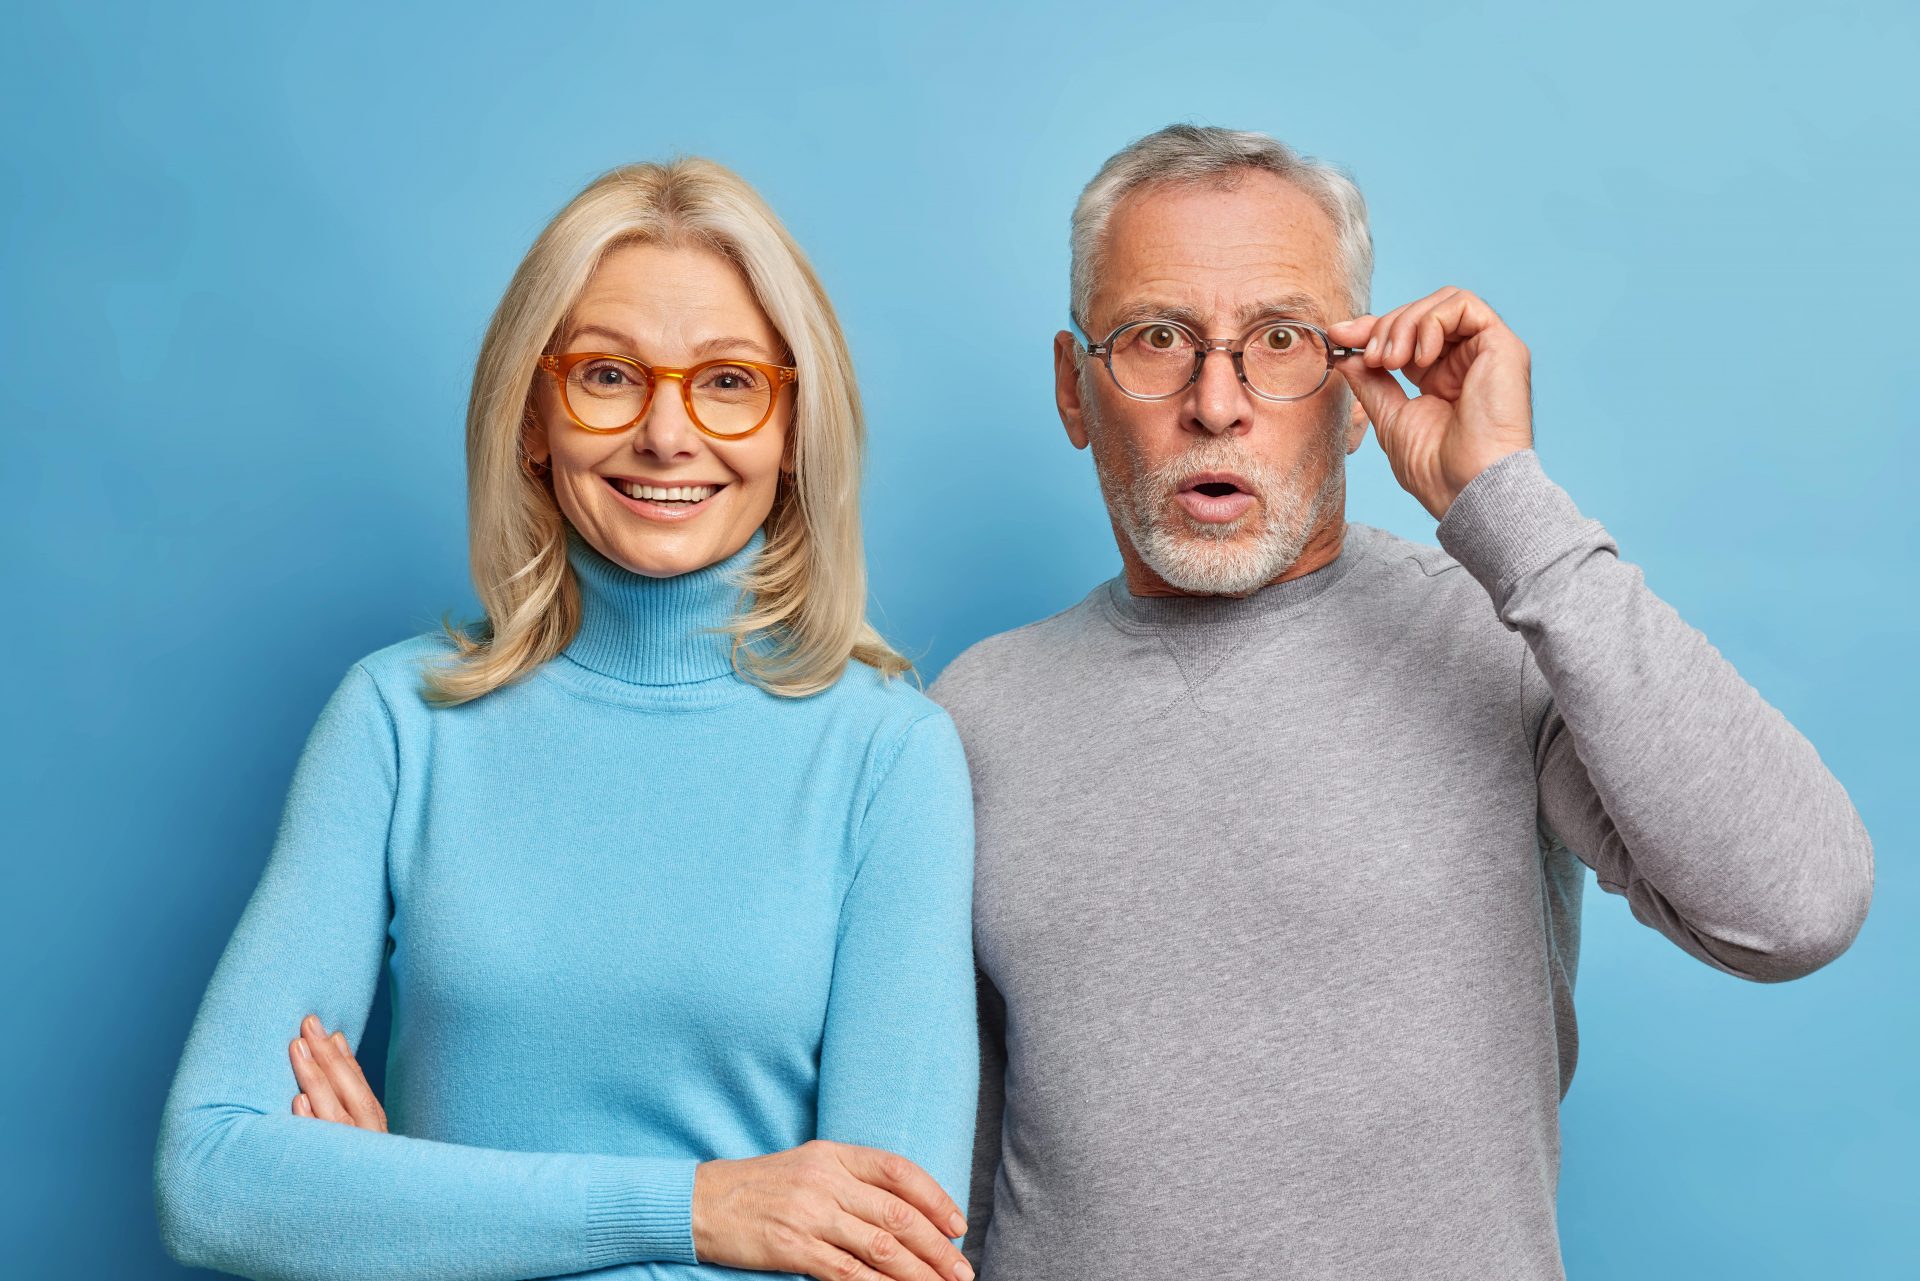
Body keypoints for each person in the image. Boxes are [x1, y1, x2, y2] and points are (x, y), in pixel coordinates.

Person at [927, 124, 1875, 1280]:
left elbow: (1796, 906)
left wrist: (1508, 506)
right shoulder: (976, 715)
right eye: (1157, 340)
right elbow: (942, 1182)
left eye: (1280, 340)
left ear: (1353, 384)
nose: (1216, 403)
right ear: (1078, 390)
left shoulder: (1500, 634)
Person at [153, 157, 979, 1281]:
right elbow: (211, 1182)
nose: (667, 435)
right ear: (533, 416)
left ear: (794, 430)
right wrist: (696, 1210)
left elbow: (891, 1256)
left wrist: (403, 1212)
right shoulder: (401, 721)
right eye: (607, 374)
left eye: (729, 381)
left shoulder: (889, 753)